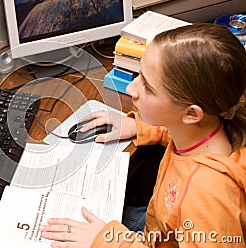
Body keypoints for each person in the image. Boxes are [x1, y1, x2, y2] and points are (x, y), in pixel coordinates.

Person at [40, 23, 246, 247]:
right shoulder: (213, 129)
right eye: (139, 75)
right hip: (157, 228)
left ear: (190, 114)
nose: (131, 89)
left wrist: (111, 243)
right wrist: (143, 127)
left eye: (148, 86)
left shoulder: (206, 198)